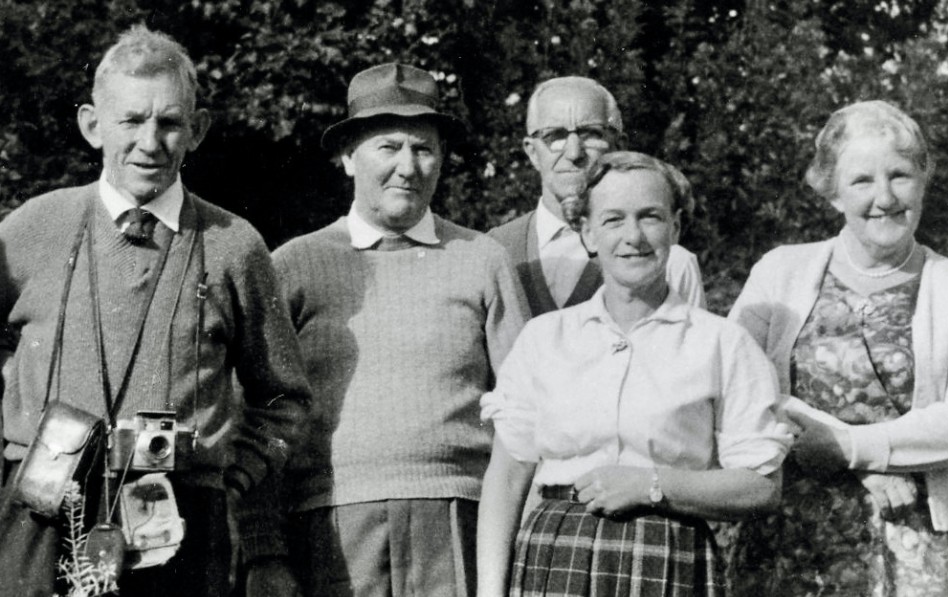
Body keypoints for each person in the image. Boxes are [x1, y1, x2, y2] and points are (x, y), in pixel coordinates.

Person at [0, 25, 311, 597]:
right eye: (131, 121)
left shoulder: (233, 245)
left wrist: (228, 477)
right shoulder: (29, 229)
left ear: (198, 129)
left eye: (170, 122)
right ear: (92, 125)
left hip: (178, 516)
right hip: (40, 509)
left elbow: (285, 399)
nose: (151, 141)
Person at [238, 63, 529, 597]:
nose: (408, 167)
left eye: (424, 148)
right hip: (328, 527)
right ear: (348, 157)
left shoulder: (482, 258)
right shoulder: (295, 265)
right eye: (388, 147)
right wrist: (263, 549)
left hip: (459, 519)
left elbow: (529, 412)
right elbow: (255, 416)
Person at [477, 151, 789, 597]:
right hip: (556, 553)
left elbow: (761, 488)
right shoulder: (543, 338)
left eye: (650, 217)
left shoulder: (722, 344)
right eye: (613, 220)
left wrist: (652, 485)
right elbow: (507, 478)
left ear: (676, 227)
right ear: (587, 232)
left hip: (668, 555)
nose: (633, 237)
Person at [726, 100, 948, 596]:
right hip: (790, 536)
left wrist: (851, 449)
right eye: (862, 181)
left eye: (900, 175)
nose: (885, 197)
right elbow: (733, 390)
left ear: (923, 179)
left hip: (916, 539)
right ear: (832, 193)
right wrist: (856, 462)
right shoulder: (780, 271)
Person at [488, 76, 707, 316]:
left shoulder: (663, 258)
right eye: (555, 136)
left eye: (590, 134)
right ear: (531, 152)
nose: (574, 153)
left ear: (618, 146)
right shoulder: (494, 250)